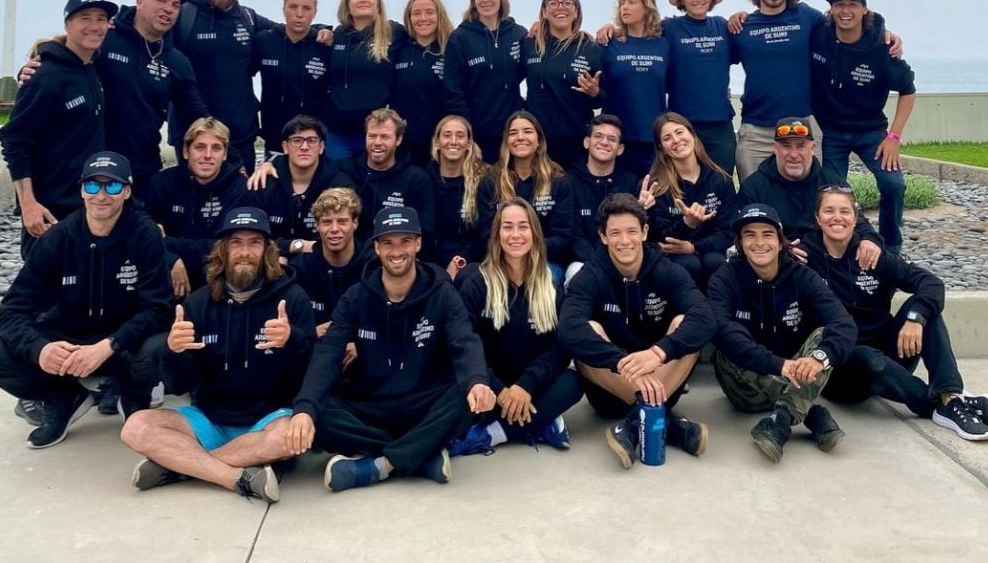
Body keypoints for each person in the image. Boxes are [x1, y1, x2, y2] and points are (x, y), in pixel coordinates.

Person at [285, 206, 496, 492]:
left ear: (418, 243)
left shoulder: (441, 292)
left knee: (469, 392)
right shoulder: (357, 296)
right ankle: (419, 455)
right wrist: (305, 410)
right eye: (388, 243)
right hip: (372, 403)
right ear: (376, 248)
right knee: (312, 410)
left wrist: (476, 382)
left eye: (405, 241)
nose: (397, 251)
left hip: (424, 401)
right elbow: (329, 352)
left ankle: (380, 465)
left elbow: (464, 340)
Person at [0, 152, 171, 448]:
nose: (101, 195)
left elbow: (159, 309)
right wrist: (41, 349)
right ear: (81, 190)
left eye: (113, 186)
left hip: (119, 344)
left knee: (161, 346)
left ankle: (132, 394)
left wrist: (110, 345)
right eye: (93, 186)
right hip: (68, 341)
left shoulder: (144, 234)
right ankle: (62, 397)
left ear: (127, 191)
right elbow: (13, 311)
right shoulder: (58, 238)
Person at [120, 206, 315, 503]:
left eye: (254, 243)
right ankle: (235, 476)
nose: (245, 252)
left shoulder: (292, 298)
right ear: (222, 250)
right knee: (135, 427)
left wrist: (291, 340)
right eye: (236, 242)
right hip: (210, 417)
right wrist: (173, 352)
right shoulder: (198, 302)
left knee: (293, 436)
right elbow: (181, 385)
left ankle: (180, 467)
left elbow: (307, 374)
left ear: (267, 250)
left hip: (268, 419)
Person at [802, 187, 988, 440]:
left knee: (926, 309)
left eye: (844, 211)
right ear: (817, 218)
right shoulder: (804, 257)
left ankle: (950, 393)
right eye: (828, 210)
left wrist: (916, 317)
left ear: (855, 217)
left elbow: (931, 283)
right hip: (842, 370)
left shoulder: (870, 255)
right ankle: (939, 405)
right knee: (865, 355)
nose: (837, 217)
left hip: (890, 354)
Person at [559, 194, 715, 468]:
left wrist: (658, 353)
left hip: (662, 379)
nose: (624, 241)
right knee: (589, 329)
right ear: (603, 236)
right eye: (615, 233)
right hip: (609, 393)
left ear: (644, 232)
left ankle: (635, 423)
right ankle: (666, 421)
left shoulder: (668, 271)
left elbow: (705, 318)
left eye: (632, 231)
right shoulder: (590, 275)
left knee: (684, 324)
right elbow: (569, 329)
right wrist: (622, 363)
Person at [17, 0, 210, 190]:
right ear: (140, 2)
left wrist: (228, 152)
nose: (168, 9)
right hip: (87, 171)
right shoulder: (106, 36)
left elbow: (195, 112)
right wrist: (30, 70)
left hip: (141, 169)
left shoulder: (176, 61)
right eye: (161, 0)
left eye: (175, 5)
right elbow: (65, 54)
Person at [728, 0, 903, 180]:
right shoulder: (742, 27)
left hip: (804, 126)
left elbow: (847, 20)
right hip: (756, 130)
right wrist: (735, 17)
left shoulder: (807, 17)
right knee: (754, 197)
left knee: (813, 198)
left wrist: (885, 33)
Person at [709, 203, 857, 462]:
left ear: (780, 242)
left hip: (797, 375)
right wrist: (780, 366)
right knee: (729, 346)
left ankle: (782, 418)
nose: (759, 242)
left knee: (824, 337)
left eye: (767, 234)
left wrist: (818, 359)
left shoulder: (801, 276)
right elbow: (722, 329)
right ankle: (811, 412)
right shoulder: (725, 277)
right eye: (749, 235)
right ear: (740, 244)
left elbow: (843, 323)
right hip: (746, 391)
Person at [449, 198, 583, 455]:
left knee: (573, 382)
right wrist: (500, 391)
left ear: (534, 233)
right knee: (454, 385)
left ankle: (493, 434)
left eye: (523, 227)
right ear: (497, 235)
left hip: (530, 387)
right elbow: (466, 344)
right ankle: (540, 424)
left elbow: (559, 349)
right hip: (488, 385)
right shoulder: (477, 282)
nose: (515, 235)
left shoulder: (550, 286)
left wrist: (525, 386)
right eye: (507, 227)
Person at [0, 0, 114, 258]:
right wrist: (28, 204)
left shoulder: (91, 68)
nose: (94, 26)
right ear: (67, 25)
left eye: (101, 19)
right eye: (85, 18)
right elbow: (14, 140)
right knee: (42, 293)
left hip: (87, 204)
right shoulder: (45, 75)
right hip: (49, 210)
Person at [811, 0, 916, 253]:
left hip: (871, 131)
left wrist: (893, 137)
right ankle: (842, 244)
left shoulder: (882, 47)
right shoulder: (819, 35)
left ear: (864, 9)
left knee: (893, 185)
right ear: (831, 9)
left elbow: (908, 90)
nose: (845, 11)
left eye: (852, 4)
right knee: (833, 192)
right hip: (831, 131)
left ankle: (891, 247)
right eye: (839, 4)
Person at [171, 0, 277, 173]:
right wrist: (119, 20)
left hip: (240, 136)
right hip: (193, 136)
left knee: (240, 204)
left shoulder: (248, 18)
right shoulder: (183, 15)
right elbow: (146, 27)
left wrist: (322, 31)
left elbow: (286, 33)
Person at [737, 117, 883, 266]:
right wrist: (782, 248)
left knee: (874, 256)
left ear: (813, 148)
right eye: (786, 146)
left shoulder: (832, 182)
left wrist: (870, 239)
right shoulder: (754, 187)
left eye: (801, 146)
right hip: (777, 260)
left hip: (826, 258)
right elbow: (745, 235)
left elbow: (856, 218)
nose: (793, 154)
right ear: (775, 148)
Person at [139, 117, 247, 299]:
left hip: (216, 280)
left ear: (225, 154)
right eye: (200, 147)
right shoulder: (160, 184)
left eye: (216, 148)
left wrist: (167, 243)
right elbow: (139, 235)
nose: (207, 155)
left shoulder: (239, 188)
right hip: (166, 275)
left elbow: (226, 246)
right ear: (186, 151)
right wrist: (170, 258)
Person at [477, 111, 575, 280]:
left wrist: (527, 247)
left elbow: (563, 238)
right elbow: (486, 235)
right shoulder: (490, 182)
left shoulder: (558, 181)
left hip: (544, 261)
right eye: (513, 133)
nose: (520, 137)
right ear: (506, 142)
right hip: (500, 262)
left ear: (539, 141)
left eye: (528, 131)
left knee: (549, 280)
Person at [442, 0, 528, 161]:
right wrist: (469, 138)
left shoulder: (519, 34)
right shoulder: (460, 38)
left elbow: (526, 71)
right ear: (473, 0)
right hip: (479, 136)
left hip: (512, 135)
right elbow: (453, 92)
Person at [646, 112, 736, 291]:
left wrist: (694, 247)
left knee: (714, 262)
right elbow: (659, 237)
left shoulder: (720, 180)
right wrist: (687, 224)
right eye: (667, 138)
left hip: (709, 250)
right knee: (688, 264)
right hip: (672, 255)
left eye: (680, 132)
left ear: (692, 135)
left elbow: (728, 231)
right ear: (662, 148)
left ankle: (717, 314)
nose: (676, 140)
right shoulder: (657, 186)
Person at [662, 0, 736, 176]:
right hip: (682, 124)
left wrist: (744, 15)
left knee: (722, 181)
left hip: (720, 122)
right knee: (685, 183)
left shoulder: (722, 26)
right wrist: (611, 29)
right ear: (682, 0)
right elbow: (638, 33)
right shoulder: (669, 27)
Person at [245, 115, 353, 258]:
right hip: (270, 260)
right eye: (296, 141)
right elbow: (250, 238)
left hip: (321, 262)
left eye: (312, 141)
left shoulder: (340, 186)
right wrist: (295, 246)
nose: (304, 147)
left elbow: (343, 238)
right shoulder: (262, 183)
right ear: (285, 147)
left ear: (321, 147)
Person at [323, 0, 405, 160]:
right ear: (347, 5)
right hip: (338, 132)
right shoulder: (338, 35)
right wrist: (321, 29)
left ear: (378, 3)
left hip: (377, 132)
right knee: (339, 187)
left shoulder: (395, 32)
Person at [522, 0, 603, 168]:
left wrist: (594, 92)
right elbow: (508, 81)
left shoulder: (590, 48)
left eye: (567, 2)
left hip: (576, 143)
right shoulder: (529, 45)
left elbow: (601, 101)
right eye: (553, 3)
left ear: (576, 12)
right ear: (544, 12)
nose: (561, 7)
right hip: (538, 143)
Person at [338, 108, 435, 250]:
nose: (377, 142)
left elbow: (425, 231)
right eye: (372, 136)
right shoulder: (344, 170)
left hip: (397, 256)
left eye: (385, 137)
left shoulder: (416, 178)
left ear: (399, 139)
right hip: (353, 257)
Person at [254, 0, 331, 157]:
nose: (299, 14)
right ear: (283, 9)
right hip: (275, 139)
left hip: (313, 144)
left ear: (315, 13)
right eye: (293, 7)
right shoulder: (264, 41)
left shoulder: (326, 46)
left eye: (306, 8)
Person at [599, 0, 670, 176]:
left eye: (631, 2)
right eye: (622, 3)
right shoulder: (609, 43)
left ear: (647, 6)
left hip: (653, 137)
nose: (625, 7)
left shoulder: (663, 44)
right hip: (618, 137)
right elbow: (600, 89)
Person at [291, 187, 371, 336]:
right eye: (327, 222)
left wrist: (361, 345)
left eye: (342, 221)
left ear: (355, 223)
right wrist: (311, 334)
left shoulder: (373, 267)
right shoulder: (300, 269)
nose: (334, 229)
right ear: (317, 226)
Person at [567, 115, 639, 274]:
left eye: (612, 139)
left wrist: (644, 208)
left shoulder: (633, 184)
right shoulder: (568, 183)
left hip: (625, 259)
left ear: (620, 149)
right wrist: (601, 263)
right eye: (598, 136)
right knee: (577, 273)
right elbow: (572, 235)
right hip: (582, 262)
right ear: (587, 142)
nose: (604, 142)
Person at [391, 0, 455, 165]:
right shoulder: (398, 47)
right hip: (403, 146)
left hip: (440, 146)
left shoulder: (452, 49)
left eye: (429, 12)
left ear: (439, 15)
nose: (423, 18)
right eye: (416, 13)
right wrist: (323, 30)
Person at [426, 115, 489, 276]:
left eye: (460, 136)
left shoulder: (484, 181)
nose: (453, 141)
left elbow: (485, 234)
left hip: (473, 261)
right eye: (447, 135)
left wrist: (460, 261)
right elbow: (423, 233)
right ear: (437, 142)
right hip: (431, 261)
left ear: (469, 143)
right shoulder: (423, 178)